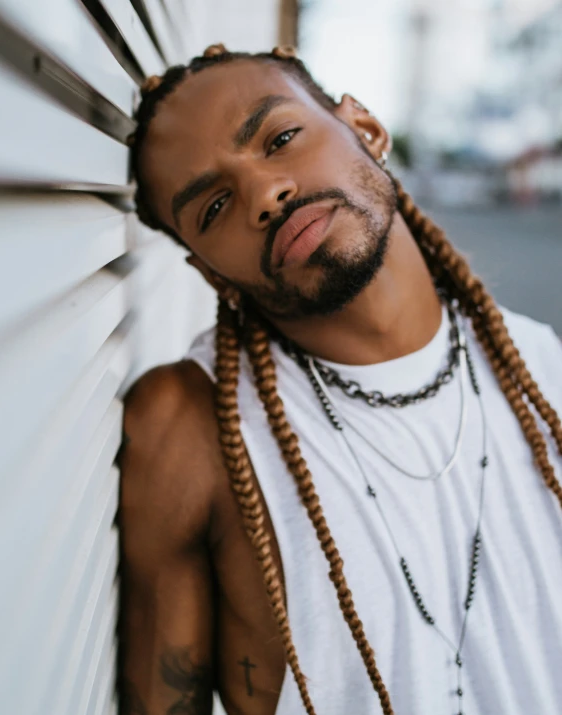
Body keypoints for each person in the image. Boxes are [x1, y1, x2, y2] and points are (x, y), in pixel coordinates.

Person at [118, 44, 562, 715]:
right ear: (210, 272)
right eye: (212, 208)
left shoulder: (542, 368)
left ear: (366, 128)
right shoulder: (193, 424)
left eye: (281, 138)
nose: (265, 193)